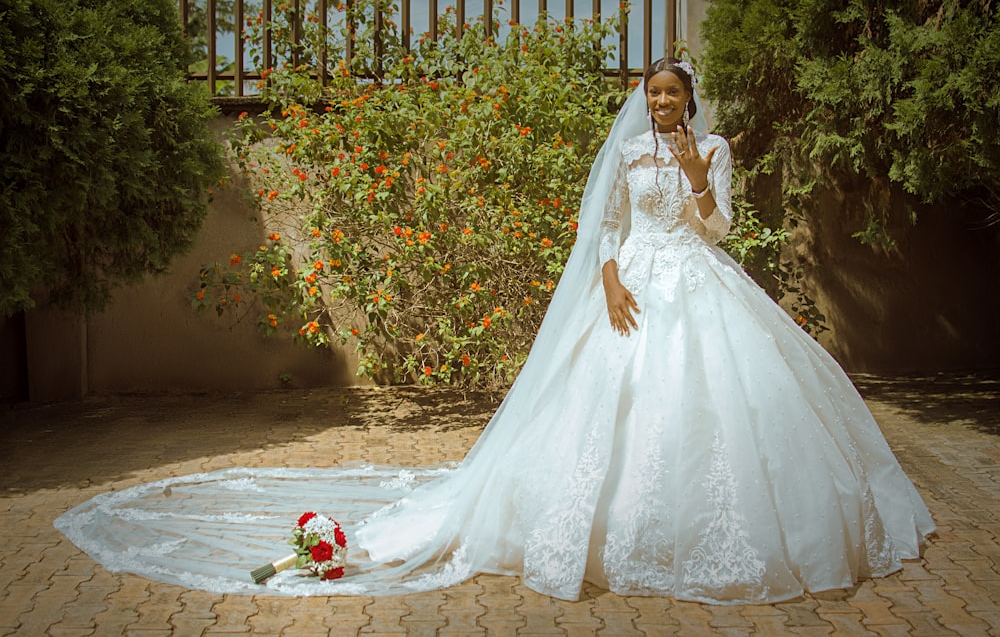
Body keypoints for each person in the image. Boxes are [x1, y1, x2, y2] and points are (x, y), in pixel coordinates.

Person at [55, 58, 934, 604]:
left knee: (724, 407)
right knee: (610, 401)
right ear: (645, 100)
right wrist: (611, 282)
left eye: (675, 96)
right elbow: (606, 231)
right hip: (632, 286)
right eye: (654, 95)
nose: (663, 105)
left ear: (691, 101)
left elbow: (720, 232)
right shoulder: (626, 153)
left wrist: (701, 177)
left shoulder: (715, 148)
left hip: (700, 280)